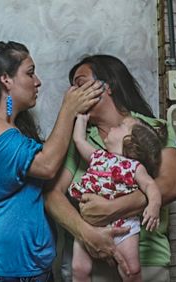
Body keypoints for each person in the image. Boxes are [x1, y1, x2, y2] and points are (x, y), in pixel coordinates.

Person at [0, 41, 105, 281]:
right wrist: (68, 110)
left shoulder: (15, 130)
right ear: (6, 79)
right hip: (2, 274)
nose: (38, 81)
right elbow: (47, 165)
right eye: (30, 73)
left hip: (39, 271)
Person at [44, 54, 176, 282]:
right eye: (71, 88)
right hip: (90, 260)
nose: (73, 93)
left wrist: (112, 208)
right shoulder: (77, 140)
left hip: (144, 260)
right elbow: (52, 196)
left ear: (107, 87)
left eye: (80, 83)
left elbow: (170, 185)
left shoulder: (152, 129)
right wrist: (88, 233)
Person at [68, 113, 168, 282]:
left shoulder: (134, 167)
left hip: (124, 226)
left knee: (132, 270)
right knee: (79, 268)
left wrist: (154, 206)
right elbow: (79, 140)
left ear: (130, 142)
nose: (113, 127)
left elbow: (151, 186)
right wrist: (82, 120)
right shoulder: (98, 156)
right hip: (91, 225)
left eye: (120, 127)